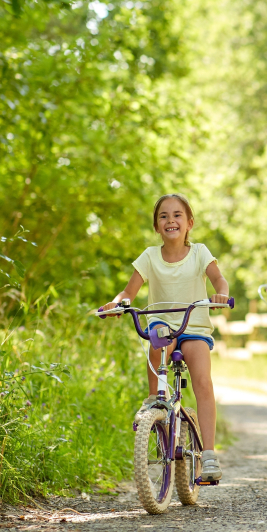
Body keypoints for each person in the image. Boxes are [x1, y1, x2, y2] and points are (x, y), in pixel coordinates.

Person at [102, 193, 230, 482]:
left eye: (177, 215)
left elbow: (218, 279)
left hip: (193, 325)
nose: (170, 220)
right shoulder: (149, 256)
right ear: (156, 226)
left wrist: (221, 292)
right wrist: (117, 303)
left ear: (189, 224)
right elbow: (128, 292)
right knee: (158, 341)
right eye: (163, 216)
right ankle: (154, 400)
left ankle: (209, 453)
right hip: (163, 322)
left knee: (202, 379)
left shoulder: (199, 253)